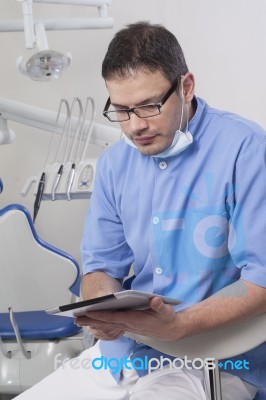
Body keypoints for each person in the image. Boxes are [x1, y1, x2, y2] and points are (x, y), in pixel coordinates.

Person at [16, 21, 266, 400]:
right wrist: (102, 310)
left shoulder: (245, 150)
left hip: (215, 358)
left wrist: (179, 326)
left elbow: (261, 281)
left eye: (149, 106)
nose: (136, 126)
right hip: (121, 356)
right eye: (121, 110)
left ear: (186, 87)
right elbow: (101, 267)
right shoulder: (116, 164)